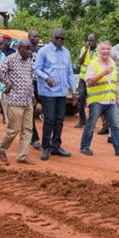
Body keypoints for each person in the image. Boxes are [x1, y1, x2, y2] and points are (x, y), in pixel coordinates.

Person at [79, 41, 119, 158]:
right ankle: (84, 147)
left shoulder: (112, 63)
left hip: (110, 101)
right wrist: (103, 73)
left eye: (108, 49)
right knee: (91, 125)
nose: (106, 51)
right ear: (98, 51)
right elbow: (90, 81)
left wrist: (115, 95)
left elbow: (113, 82)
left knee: (115, 125)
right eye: (103, 49)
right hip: (97, 100)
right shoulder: (93, 63)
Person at [35, 28, 77, 161]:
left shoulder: (66, 52)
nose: (59, 40)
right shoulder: (43, 51)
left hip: (61, 92)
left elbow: (70, 72)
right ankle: (46, 147)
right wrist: (46, 78)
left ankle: (56, 146)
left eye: (62, 38)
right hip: (47, 92)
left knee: (60, 120)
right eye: (57, 38)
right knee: (49, 120)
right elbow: (36, 69)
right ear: (52, 37)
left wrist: (74, 91)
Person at [0, 39, 35, 165]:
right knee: (14, 129)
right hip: (15, 100)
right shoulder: (11, 59)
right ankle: (1, 147)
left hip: (27, 100)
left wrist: (32, 95)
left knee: (28, 130)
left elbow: (30, 78)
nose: (30, 51)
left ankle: (22, 156)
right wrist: (8, 83)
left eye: (30, 48)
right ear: (20, 48)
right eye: (27, 48)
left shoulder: (29, 61)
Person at [75, 33, 99, 128]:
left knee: (94, 101)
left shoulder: (99, 51)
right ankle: (82, 120)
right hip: (83, 78)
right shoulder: (83, 49)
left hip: (94, 80)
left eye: (92, 40)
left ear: (96, 40)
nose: (90, 42)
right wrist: (85, 50)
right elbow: (80, 62)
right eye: (88, 40)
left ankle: (92, 122)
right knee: (81, 99)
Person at [28, 29, 42, 149]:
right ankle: (34, 138)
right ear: (29, 37)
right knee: (30, 113)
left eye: (38, 37)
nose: (37, 38)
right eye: (35, 36)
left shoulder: (40, 51)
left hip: (39, 84)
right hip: (28, 85)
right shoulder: (23, 50)